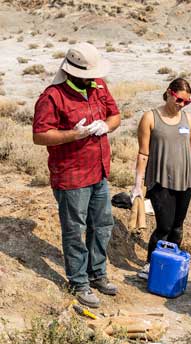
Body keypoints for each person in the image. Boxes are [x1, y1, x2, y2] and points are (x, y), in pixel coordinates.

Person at [32, 43, 121, 308]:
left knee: (102, 225)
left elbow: (115, 115)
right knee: (74, 229)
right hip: (71, 176)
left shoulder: (99, 86)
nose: (93, 77)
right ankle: (78, 281)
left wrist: (106, 125)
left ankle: (97, 274)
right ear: (72, 72)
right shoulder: (52, 97)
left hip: (99, 170)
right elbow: (39, 136)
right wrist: (75, 134)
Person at [131, 78, 191, 280]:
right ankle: (151, 264)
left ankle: (169, 264)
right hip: (160, 181)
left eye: (186, 102)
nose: (182, 105)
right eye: (179, 100)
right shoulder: (150, 118)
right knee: (164, 227)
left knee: (177, 227)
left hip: (186, 180)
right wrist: (137, 185)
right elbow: (143, 154)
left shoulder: (189, 120)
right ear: (169, 93)